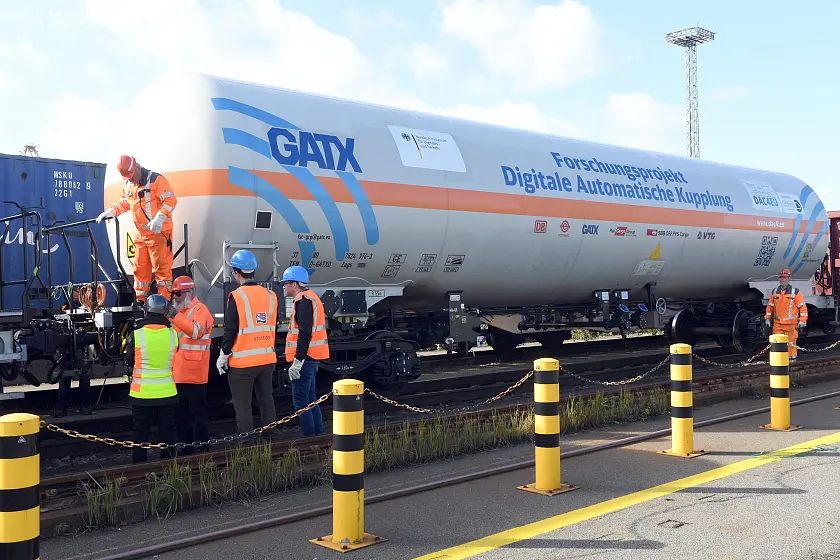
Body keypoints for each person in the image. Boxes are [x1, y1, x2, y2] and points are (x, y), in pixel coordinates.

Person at [96, 155, 177, 302]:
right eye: (128, 177)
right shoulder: (129, 185)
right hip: (142, 234)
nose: (131, 179)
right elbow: (125, 203)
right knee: (140, 269)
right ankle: (140, 301)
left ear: (137, 168)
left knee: (162, 271)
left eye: (132, 176)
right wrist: (111, 212)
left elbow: (170, 200)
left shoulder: (156, 180)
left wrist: (160, 218)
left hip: (159, 233)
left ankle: (163, 302)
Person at [216, 250, 278, 436]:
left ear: (237, 273)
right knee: (267, 401)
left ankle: (246, 443)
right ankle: (270, 437)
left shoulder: (237, 296)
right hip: (267, 360)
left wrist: (223, 355)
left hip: (243, 363)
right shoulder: (271, 296)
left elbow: (230, 330)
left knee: (243, 406)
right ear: (253, 271)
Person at [123, 294, 179, 463]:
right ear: (165, 313)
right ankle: (169, 465)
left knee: (140, 432)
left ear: (146, 312)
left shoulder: (137, 335)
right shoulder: (173, 335)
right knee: (168, 431)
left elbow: (129, 361)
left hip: (142, 395)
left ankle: (139, 466)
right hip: (167, 392)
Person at [167, 275, 214, 454]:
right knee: (180, 415)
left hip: (195, 374)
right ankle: (186, 448)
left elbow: (195, 332)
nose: (175, 298)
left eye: (178, 294)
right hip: (178, 373)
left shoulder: (201, 311)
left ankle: (202, 449)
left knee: (197, 414)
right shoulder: (181, 313)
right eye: (174, 294)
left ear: (190, 292)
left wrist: (174, 315)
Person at [282, 265, 328, 437]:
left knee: (301, 401)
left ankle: (309, 437)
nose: (284, 287)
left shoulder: (303, 301)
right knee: (310, 399)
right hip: (311, 357)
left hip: (305, 359)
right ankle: (317, 434)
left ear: (294, 284)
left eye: (286, 283)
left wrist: (297, 361)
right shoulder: (310, 298)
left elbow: (304, 333)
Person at [764, 268, 808, 360]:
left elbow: (802, 308)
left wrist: (802, 320)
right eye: (780, 277)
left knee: (791, 344)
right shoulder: (775, 292)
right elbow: (770, 307)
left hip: (791, 325)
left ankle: (792, 361)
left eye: (784, 277)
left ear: (788, 279)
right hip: (778, 325)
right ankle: (779, 362)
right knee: (777, 344)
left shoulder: (795, 292)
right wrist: (767, 318)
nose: (782, 279)